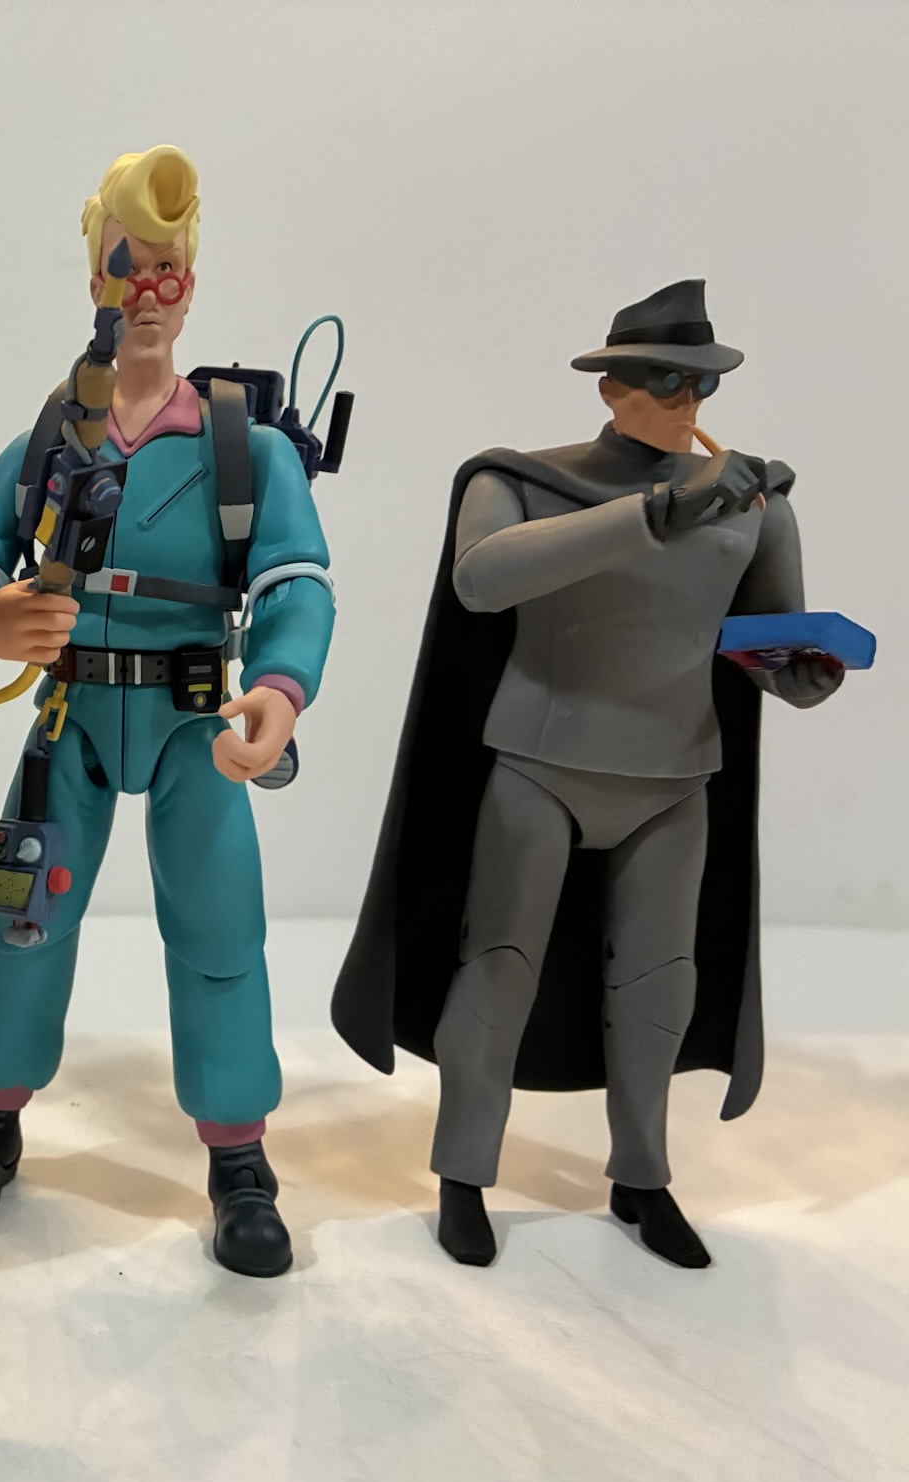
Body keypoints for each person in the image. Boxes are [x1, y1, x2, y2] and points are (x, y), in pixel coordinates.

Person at [332, 279, 844, 1268]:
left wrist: (800, 675)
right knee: (496, 972)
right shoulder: (521, 480)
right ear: (610, 388)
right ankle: (463, 1172)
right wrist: (650, 512)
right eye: (662, 379)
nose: (684, 401)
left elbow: (763, 640)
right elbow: (481, 576)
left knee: (657, 988)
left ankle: (641, 1175)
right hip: (540, 764)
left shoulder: (752, 502)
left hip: (674, 776)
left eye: (700, 382)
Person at [0, 146, 336, 1278]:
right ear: (92, 276)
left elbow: (296, 581)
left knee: (218, 930)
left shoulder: (241, 445)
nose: (145, 289)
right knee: (23, 914)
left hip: (197, 722)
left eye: (166, 266)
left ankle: (238, 1155)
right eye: (124, 263)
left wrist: (279, 687)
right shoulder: (53, 439)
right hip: (71, 723)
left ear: (191, 281)